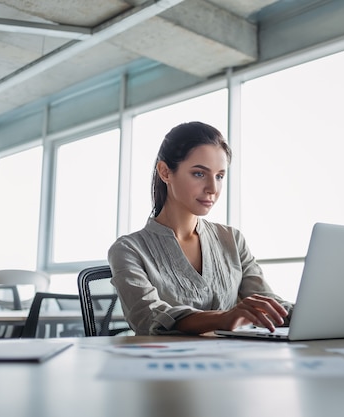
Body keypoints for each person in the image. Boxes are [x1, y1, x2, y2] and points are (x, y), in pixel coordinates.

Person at [108, 121, 292, 335]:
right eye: (199, 174)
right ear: (165, 172)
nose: (213, 188)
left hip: (234, 362)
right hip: (165, 364)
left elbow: (270, 306)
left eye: (219, 176)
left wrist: (326, 314)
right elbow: (149, 318)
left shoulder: (232, 239)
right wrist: (224, 318)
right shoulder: (128, 249)